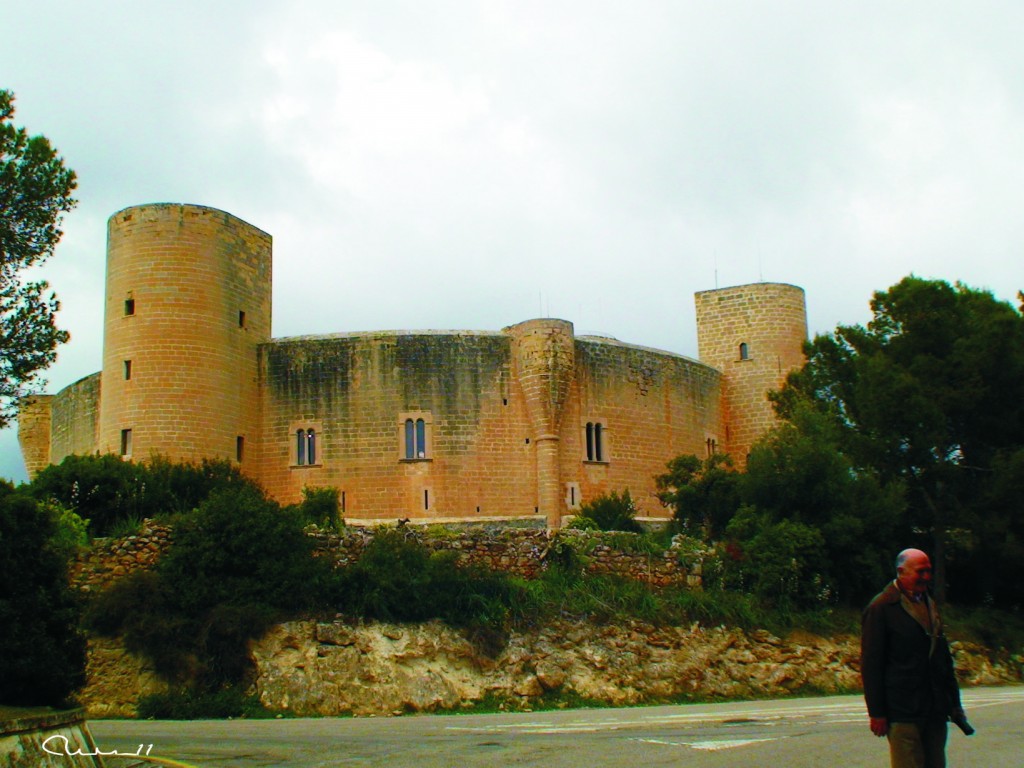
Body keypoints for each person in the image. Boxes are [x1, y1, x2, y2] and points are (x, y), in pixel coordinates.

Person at [861, 548, 971, 768]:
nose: (926, 578)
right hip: (902, 711)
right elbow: (871, 664)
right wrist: (877, 713)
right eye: (920, 572)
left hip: (934, 708)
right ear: (901, 571)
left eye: (928, 571)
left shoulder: (929, 604)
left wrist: (954, 704)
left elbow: (943, 660)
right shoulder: (881, 608)